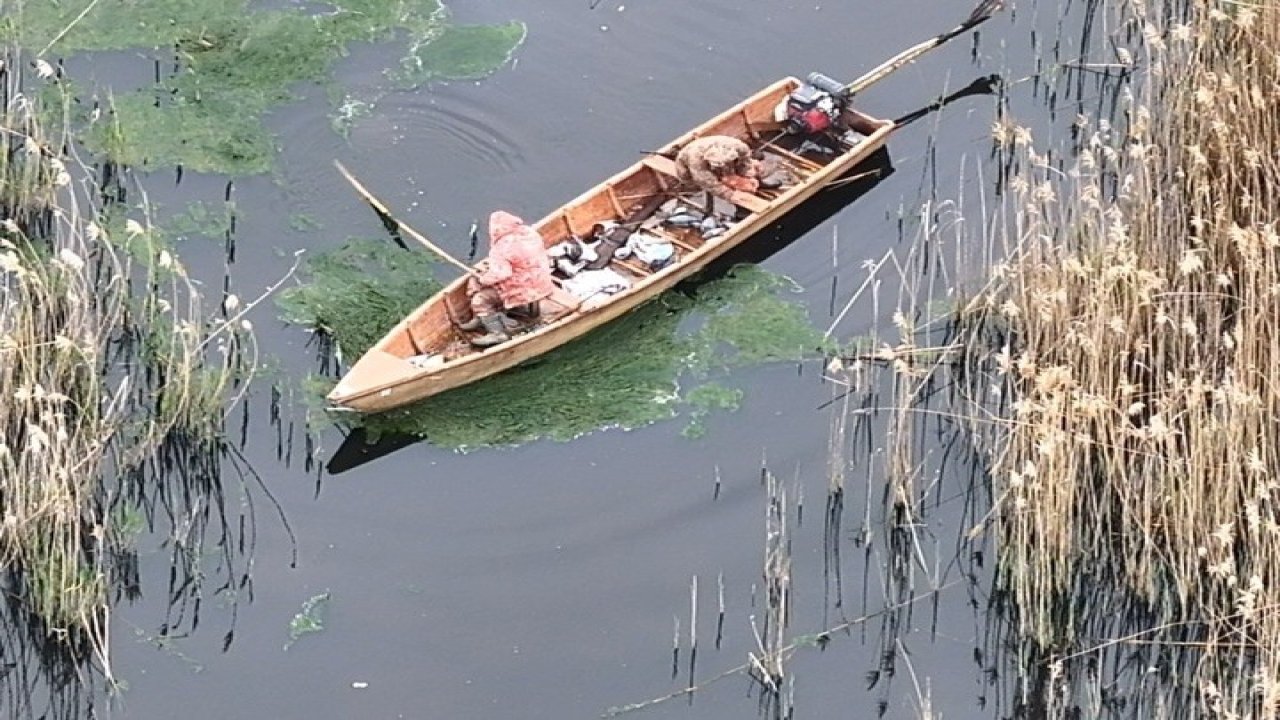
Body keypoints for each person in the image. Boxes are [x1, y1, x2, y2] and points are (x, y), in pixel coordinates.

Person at [460, 210, 557, 347]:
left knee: (479, 299)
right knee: (477, 279)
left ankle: (497, 333)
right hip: (541, 282)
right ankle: (480, 317)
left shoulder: (500, 249)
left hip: (520, 291)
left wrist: (484, 279)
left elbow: (501, 274)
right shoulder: (530, 234)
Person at [673, 135, 764, 201]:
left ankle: (727, 178)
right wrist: (730, 195)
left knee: (733, 174)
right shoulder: (696, 161)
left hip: (719, 156)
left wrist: (748, 175)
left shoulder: (740, 147)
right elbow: (707, 182)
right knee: (693, 182)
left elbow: (745, 161)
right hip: (686, 164)